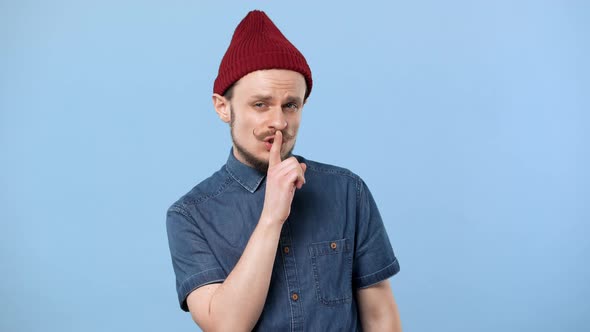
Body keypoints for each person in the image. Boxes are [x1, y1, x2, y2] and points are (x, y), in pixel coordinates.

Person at [166, 10, 402, 331]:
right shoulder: (190, 215)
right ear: (223, 107)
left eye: (291, 104)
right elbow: (226, 325)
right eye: (260, 104)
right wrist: (271, 217)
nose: (279, 122)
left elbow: (380, 314)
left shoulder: (348, 191)